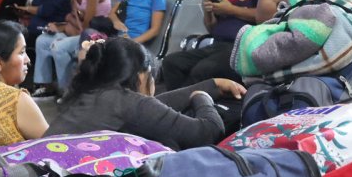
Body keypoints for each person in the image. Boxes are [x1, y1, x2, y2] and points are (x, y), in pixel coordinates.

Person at [48, 37, 243, 148]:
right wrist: (202, 98)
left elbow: (152, 107)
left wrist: (212, 84)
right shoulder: (128, 103)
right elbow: (208, 132)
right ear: (142, 77)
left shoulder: (91, 93)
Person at [161, 0, 265, 90]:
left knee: (202, 70)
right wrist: (208, 11)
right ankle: (179, 102)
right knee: (171, 62)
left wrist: (232, 10)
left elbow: (265, 16)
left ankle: (187, 104)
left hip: (241, 46)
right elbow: (212, 28)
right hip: (217, 44)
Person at [33, 0, 109, 96]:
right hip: (78, 31)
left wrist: (67, 24)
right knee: (42, 40)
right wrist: (67, 23)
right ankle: (46, 85)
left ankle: (67, 90)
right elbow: (73, 17)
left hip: (95, 37)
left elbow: (88, 27)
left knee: (58, 47)